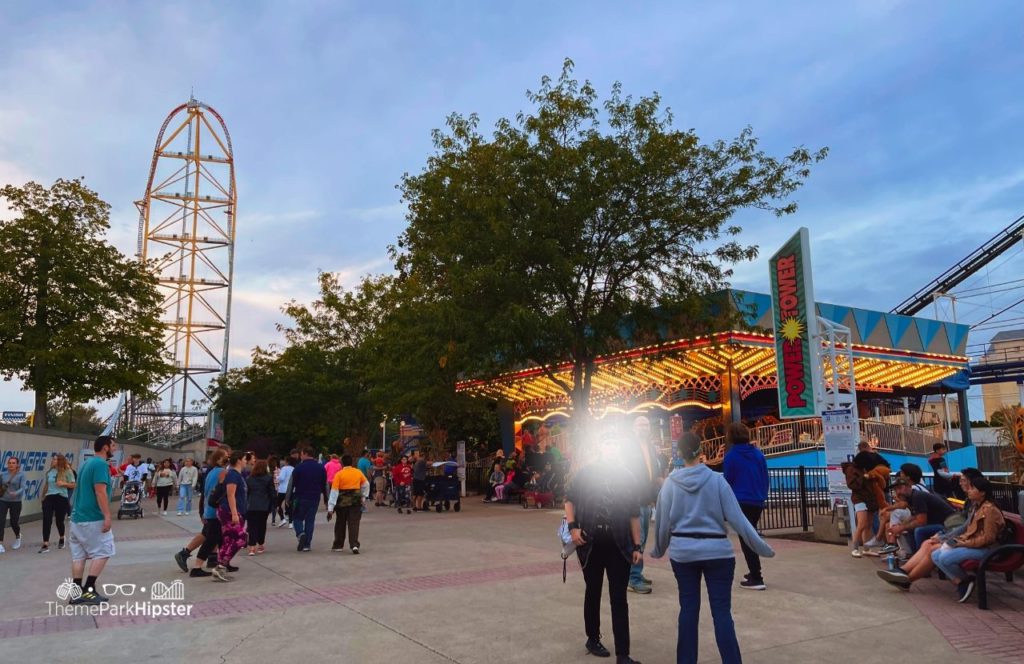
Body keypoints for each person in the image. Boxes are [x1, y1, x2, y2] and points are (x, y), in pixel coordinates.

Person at [651, 432, 775, 664]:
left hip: (683, 552)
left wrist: (658, 549)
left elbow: (663, 523)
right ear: (701, 451)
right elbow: (738, 520)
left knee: (688, 609)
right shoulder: (718, 481)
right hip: (718, 552)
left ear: (679, 454)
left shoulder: (669, 484)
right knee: (721, 613)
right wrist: (761, 547)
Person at [563, 429, 644, 664]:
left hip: (620, 544)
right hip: (591, 542)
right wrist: (573, 527)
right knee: (593, 591)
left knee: (619, 598)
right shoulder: (586, 474)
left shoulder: (628, 476)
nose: (611, 447)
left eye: (614, 443)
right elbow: (569, 499)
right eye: (607, 442)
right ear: (601, 446)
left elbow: (634, 514)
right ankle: (592, 637)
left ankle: (623, 653)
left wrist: (637, 545)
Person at [879, 473, 1005, 603]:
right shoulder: (976, 506)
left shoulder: (989, 510)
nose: (969, 490)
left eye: (972, 488)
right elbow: (965, 527)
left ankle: (963, 581)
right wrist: (946, 538)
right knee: (935, 553)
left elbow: (988, 539)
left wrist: (961, 543)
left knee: (941, 555)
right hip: (970, 542)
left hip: (987, 549)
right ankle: (962, 581)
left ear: (982, 493)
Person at [68, 436, 118, 604]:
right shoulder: (101, 465)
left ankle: (76, 593)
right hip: (93, 518)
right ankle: (89, 590)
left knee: (79, 556)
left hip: (77, 518)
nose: (115, 449)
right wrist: (107, 516)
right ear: (105, 448)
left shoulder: (86, 464)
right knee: (104, 551)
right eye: (113, 445)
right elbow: (100, 491)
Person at [722, 422, 770, 590]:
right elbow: (765, 476)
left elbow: (727, 481)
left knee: (746, 538)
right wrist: (763, 495)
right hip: (757, 499)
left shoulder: (731, 456)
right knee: (750, 534)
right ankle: (754, 572)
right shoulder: (757, 454)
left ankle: (757, 576)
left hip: (741, 500)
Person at [879, 477, 956, 557]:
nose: (898, 492)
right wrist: (900, 526)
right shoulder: (911, 497)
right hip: (938, 522)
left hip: (947, 524)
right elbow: (914, 516)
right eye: (896, 490)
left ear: (909, 487)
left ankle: (920, 557)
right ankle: (912, 555)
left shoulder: (917, 496)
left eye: (900, 488)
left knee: (919, 530)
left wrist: (901, 527)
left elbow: (921, 522)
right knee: (909, 528)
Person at [627, 416, 661, 595]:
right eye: (640, 424)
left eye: (647, 425)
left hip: (646, 499)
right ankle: (633, 577)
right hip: (634, 499)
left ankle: (636, 572)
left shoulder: (650, 447)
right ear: (633, 428)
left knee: (643, 537)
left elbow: (653, 473)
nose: (644, 428)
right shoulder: (628, 447)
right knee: (636, 539)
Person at [189, 448, 230, 578]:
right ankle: (197, 566)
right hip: (215, 510)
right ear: (219, 459)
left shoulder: (211, 472)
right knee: (211, 540)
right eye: (225, 456)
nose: (227, 458)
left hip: (209, 508)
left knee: (217, 538)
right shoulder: (222, 472)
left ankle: (221, 563)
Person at [213, 451, 249, 581]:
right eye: (245, 459)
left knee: (228, 539)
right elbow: (230, 495)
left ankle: (220, 566)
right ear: (239, 460)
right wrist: (234, 513)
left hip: (232, 510)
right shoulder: (233, 475)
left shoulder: (237, 475)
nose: (246, 461)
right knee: (241, 539)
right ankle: (221, 565)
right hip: (229, 511)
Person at [287, 445, 327, 551]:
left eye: (301, 454)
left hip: (300, 497)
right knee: (310, 520)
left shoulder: (298, 468)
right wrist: (327, 500)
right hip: (314, 498)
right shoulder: (321, 468)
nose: (300, 456)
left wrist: (287, 498)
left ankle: (300, 534)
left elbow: (291, 484)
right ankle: (307, 545)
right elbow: (325, 485)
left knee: (297, 518)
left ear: (305, 454)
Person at [328, 454, 369, 554]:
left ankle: (338, 545)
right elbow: (366, 484)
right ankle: (354, 545)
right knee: (354, 523)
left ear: (342, 463)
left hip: (342, 502)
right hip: (355, 501)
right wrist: (363, 496)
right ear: (352, 463)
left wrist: (330, 508)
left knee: (340, 523)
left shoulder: (339, 474)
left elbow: (334, 492)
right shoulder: (358, 472)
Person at [39, 454, 76, 553]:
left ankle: (62, 537)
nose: (53, 460)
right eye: (53, 459)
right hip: (49, 497)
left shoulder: (67, 471)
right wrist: (43, 496)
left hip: (61, 497)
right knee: (47, 519)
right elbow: (47, 485)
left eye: (55, 459)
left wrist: (64, 484)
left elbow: (73, 484)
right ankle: (45, 543)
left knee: (59, 521)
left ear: (60, 460)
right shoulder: (50, 472)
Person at [842, 461, 879, 558]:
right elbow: (852, 485)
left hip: (870, 498)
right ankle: (855, 548)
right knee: (862, 523)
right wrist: (863, 477)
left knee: (868, 524)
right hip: (859, 498)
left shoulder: (868, 468)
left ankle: (866, 548)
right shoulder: (852, 469)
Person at [246, 460, 275, 556]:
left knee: (251, 526)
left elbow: (247, 493)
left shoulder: (249, 479)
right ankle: (261, 544)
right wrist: (273, 505)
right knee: (262, 525)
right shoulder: (268, 478)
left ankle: (251, 547)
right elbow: (272, 493)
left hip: (251, 505)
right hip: (264, 506)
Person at [0, 456, 26, 552]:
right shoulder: (3, 474)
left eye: (13, 463)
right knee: (1, 521)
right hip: (3, 500)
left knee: (13, 522)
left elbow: (23, 487)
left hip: (16, 501)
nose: (11, 464)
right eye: (10, 463)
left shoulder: (21, 475)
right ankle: (0, 543)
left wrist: (16, 493)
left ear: (17, 465)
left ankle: (18, 536)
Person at [275, 455, 294, 527]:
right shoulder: (293, 468)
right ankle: (291, 523)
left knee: (278, 504)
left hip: (282, 489)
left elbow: (281, 478)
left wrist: (277, 477)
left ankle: (282, 519)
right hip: (290, 490)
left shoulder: (284, 468)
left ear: (287, 462)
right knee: (289, 505)